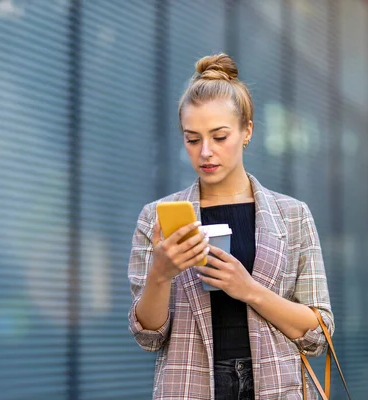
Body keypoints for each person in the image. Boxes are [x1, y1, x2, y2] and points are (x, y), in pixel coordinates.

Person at [127, 53, 333, 400]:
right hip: (189, 387)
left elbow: (319, 334)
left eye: (219, 137)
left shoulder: (293, 215)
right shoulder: (156, 217)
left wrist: (247, 288)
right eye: (193, 139)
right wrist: (160, 274)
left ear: (247, 131)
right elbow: (148, 337)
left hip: (277, 387)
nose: (205, 152)